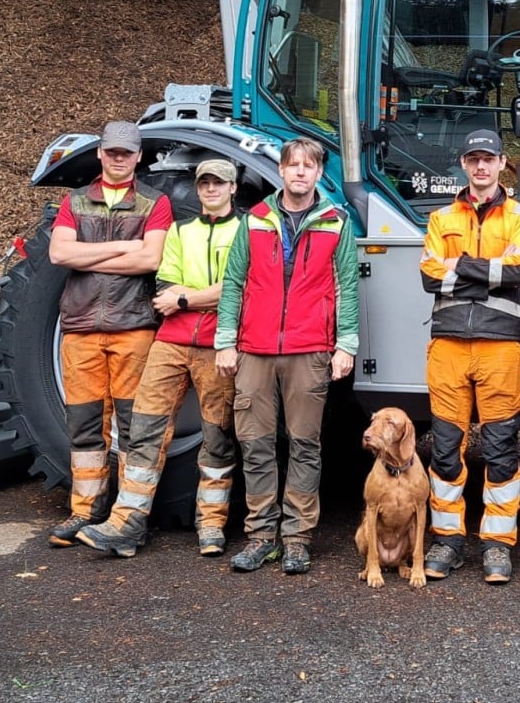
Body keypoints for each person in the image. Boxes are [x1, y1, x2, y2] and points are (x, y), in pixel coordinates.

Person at [76, 158, 243, 558]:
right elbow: (165, 286)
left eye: (218, 183)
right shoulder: (180, 231)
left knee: (217, 436)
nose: (210, 189)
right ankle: (127, 523)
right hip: (170, 342)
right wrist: (200, 296)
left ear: (233, 188)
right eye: (204, 183)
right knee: (144, 430)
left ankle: (212, 524)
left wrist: (188, 298)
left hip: (218, 344)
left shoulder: (248, 231)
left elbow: (240, 286)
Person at [214, 138, 358, 576]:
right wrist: (225, 339)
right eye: (292, 165)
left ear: (319, 174)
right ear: (281, 170)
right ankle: (261, 537)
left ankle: (297, 539)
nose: (299, 172)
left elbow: (346, 286)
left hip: (310, 349)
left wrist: (345, 345)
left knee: (304, 446)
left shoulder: (336, 222)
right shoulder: (255, 219)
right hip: (255, 349)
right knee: (255, 445)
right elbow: (234, 281)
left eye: (308, 166)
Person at [44, 120, 172, 547]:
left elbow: (151, 260)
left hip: (132, 328)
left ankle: (128, 519)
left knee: (135, 427)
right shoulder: (75, 201)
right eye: (112, 151)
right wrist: (122, 248)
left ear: (138, 157)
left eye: (127, 152)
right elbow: (59, 252)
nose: (119, 158)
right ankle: (86, 512)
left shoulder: (156, 203)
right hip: (80, 329)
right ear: (100, 154)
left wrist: (88, 257)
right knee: (83, 427)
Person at [419, 127, 520, 584]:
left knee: (502, 448)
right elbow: (430, 277)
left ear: (502, 162)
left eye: (489, 159)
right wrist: (486, 270)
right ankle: (447, 542)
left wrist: (459, 264)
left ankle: (496, 546)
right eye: (473, 160)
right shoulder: (440, 218)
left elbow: (516, 271)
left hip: (501, 348)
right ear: (464, 165)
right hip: (447, 346)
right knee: (446, 450)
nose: (481, 166)